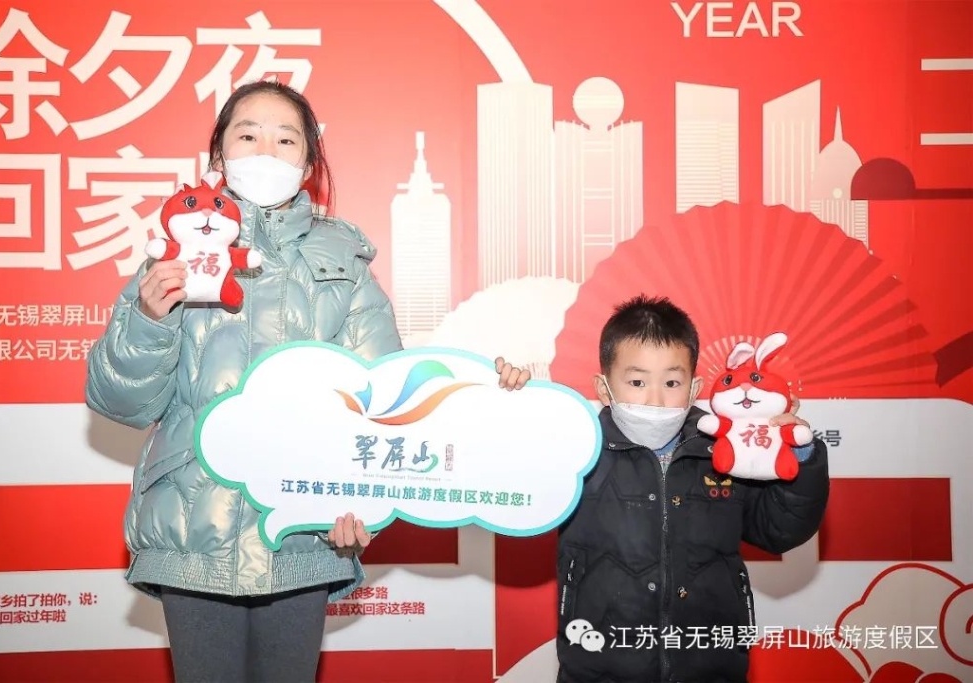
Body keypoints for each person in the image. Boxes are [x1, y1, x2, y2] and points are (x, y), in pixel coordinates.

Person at [87, 80, 478, 683]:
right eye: (248, 135)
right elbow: (121, 401)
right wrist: (148, 318)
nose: (266, 151)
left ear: (308, 163)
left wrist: (363, 506)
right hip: (193, 523)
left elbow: (382, 400)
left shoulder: (345, 264)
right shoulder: (177, 251)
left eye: (285, 139)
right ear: (218, 155)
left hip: (303, 529)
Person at [495, 294, 830, 683]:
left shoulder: (725, 450)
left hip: (711, 667)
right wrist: (509, 417)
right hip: (600, 668)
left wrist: (798, 454)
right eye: (637, 382)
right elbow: (514, 499)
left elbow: (780, 530)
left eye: (672, 382)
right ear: (603, 388)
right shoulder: (577, 449)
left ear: (694, 387)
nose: (655, 399)